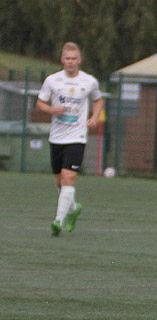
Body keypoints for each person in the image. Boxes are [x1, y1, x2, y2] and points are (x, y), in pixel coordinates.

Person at [36, 42, 103, 236]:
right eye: (67, 58)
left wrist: (94, 117)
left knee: (68, 177)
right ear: (62, 60)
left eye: (74, 59)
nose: (71, 62)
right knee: (59, 181)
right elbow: (40, 103)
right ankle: (73, 210)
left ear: (79, 60)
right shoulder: (52, 81)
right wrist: (52, 109)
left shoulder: (89, 81)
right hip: (57, 136)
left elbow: (98, 100)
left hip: (77, 136)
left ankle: (58, 221)